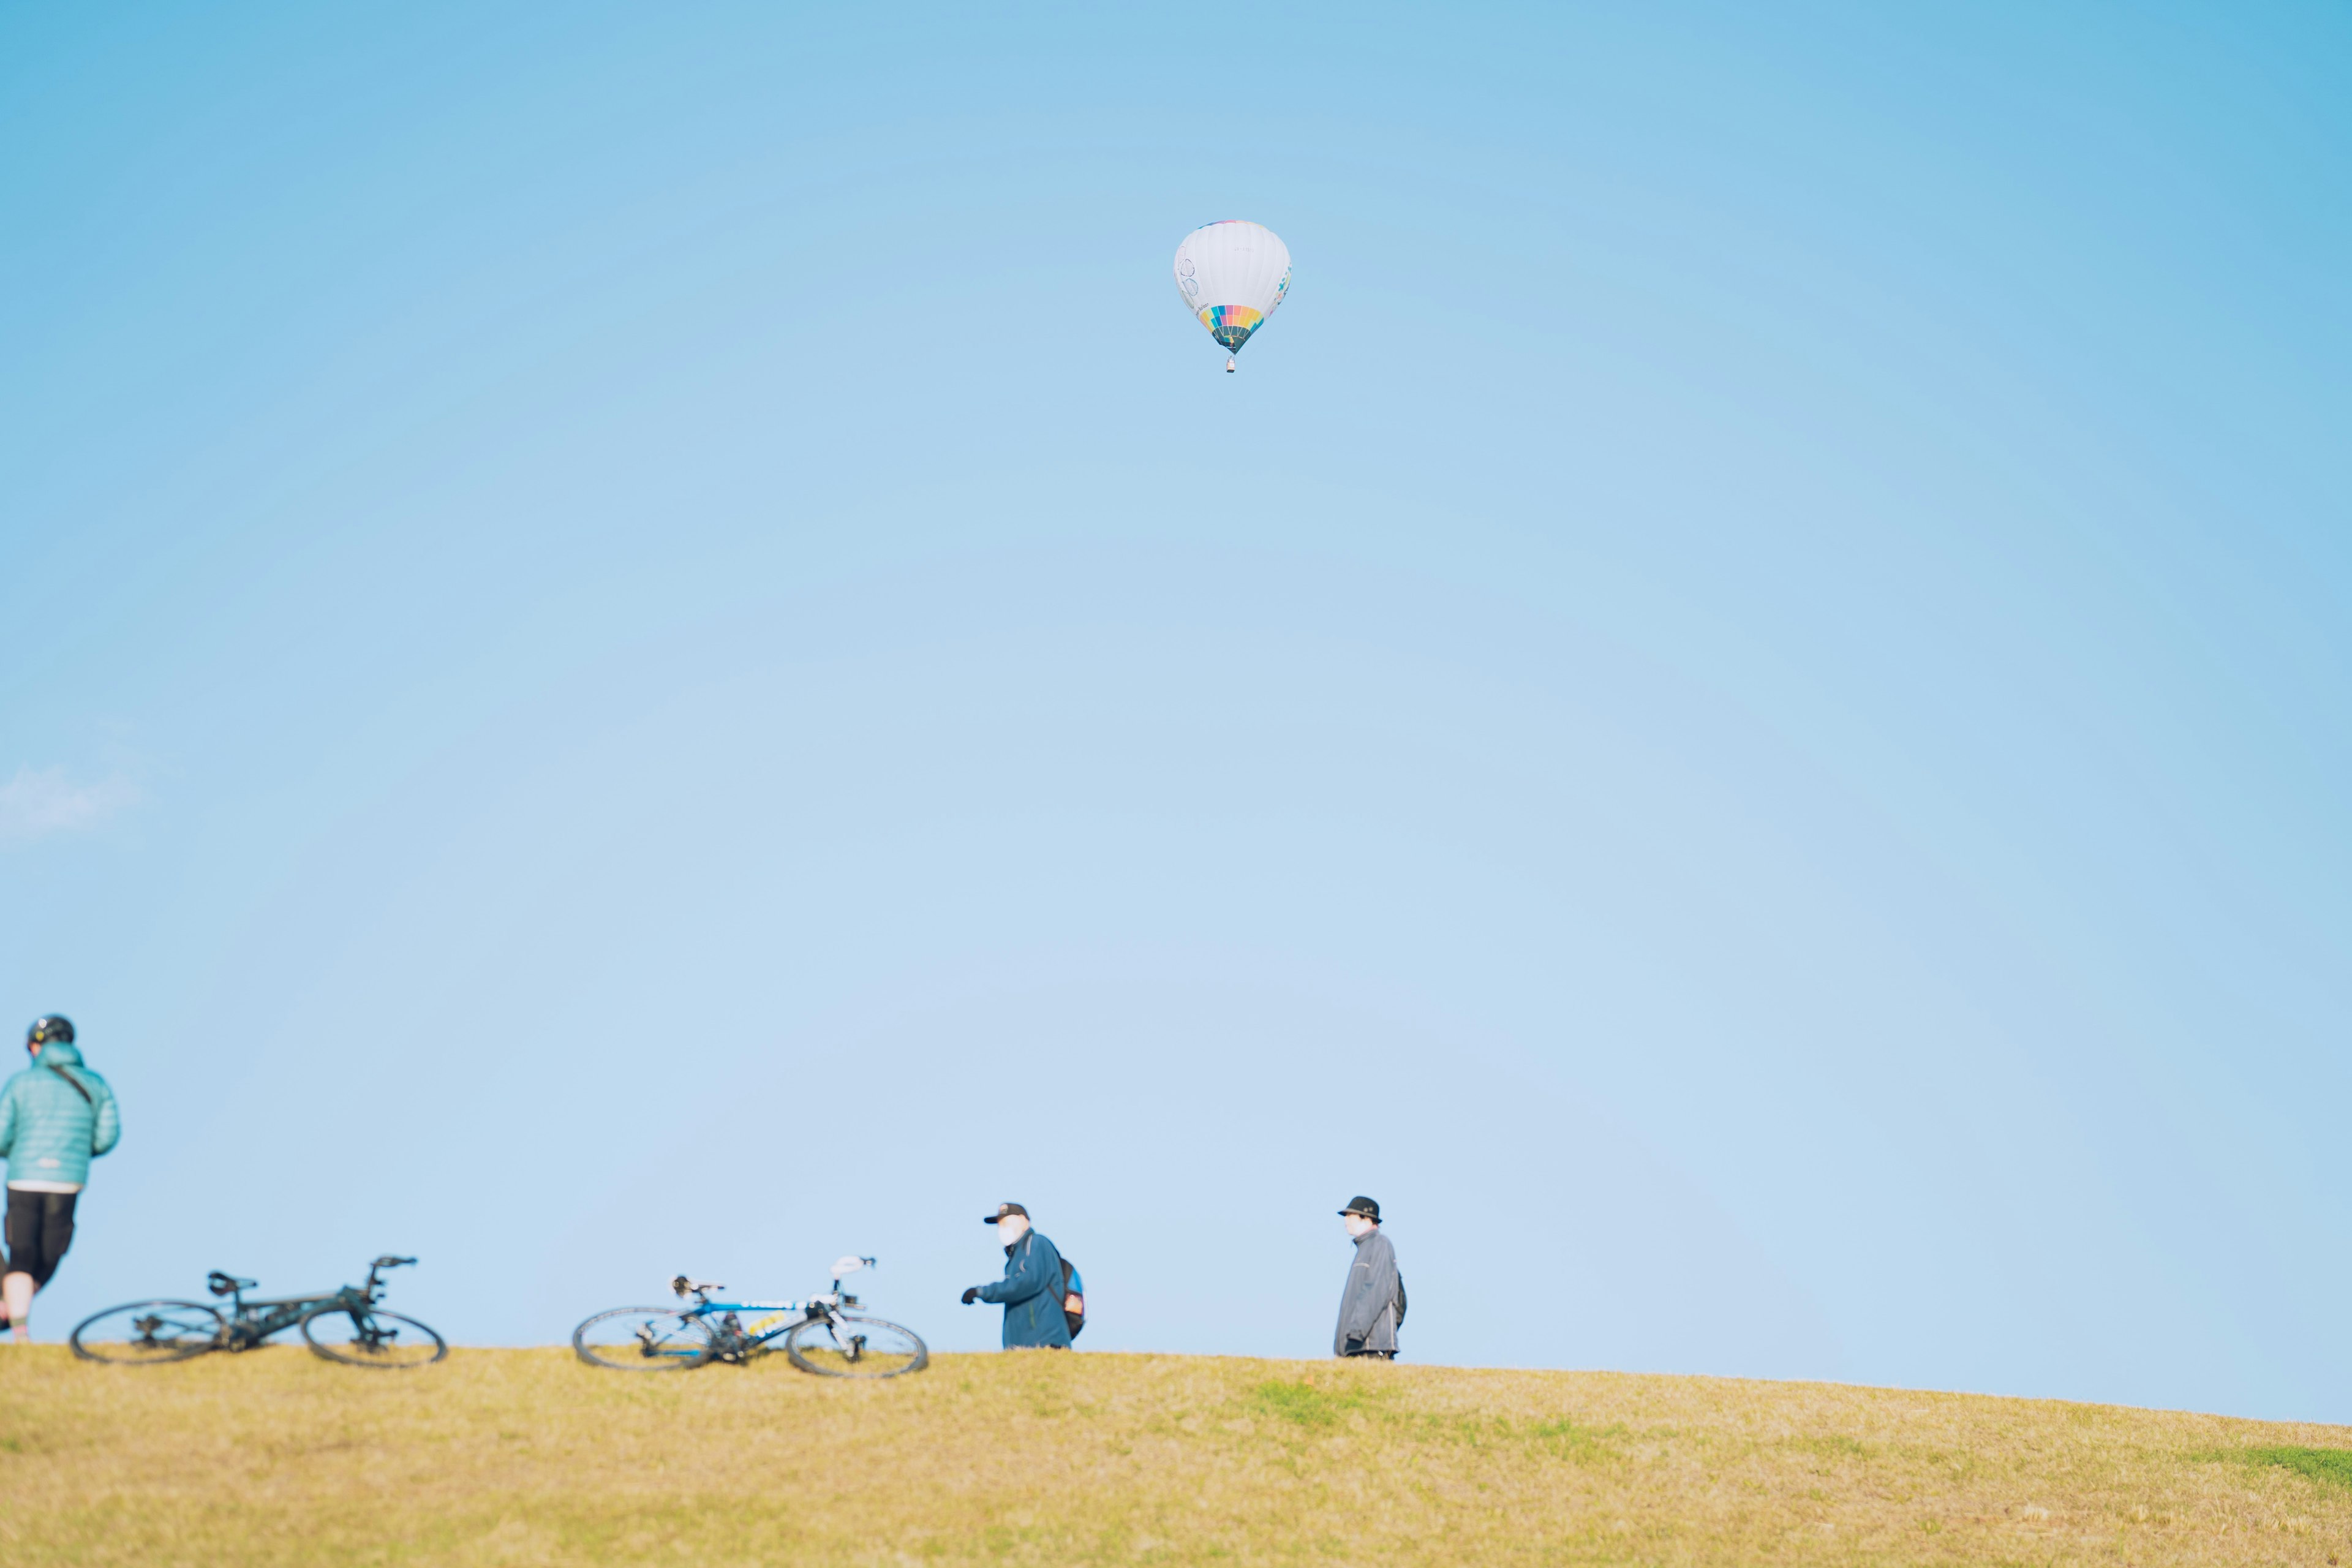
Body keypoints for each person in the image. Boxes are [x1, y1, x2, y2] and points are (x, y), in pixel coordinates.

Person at [0, 1016, 121, 1343]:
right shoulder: (96, 1084)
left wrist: (18, 1153)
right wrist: (77, 1152)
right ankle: (13, 1310)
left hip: (24, 1177)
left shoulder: (20, 1083)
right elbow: (107, 1137)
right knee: (50, 1256)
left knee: (21, 1254)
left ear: (37, 1046)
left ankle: (16, 1324)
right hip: (68, 1180)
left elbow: (1, 1134)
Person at [959, 1202, 1072, 1349]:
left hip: (1045, 1342)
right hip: (1024, 1346)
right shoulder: (1016, 1256)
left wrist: (983, 1292)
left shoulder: (1036, 1243)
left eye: (1006, 1222)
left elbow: (1027, 1282)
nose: (1002, 1228)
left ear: (1024, 1221)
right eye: (1000, 1225)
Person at [1333, 1195, 1401, 1360]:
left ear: (1367, 1219)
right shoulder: (1365, 1248)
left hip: (1370, 1346)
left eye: (1351, 1216)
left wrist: (1356, 1334)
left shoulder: (1380, 1244)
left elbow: (1375, 1292)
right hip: (1356, 1346)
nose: (1346, 1221)